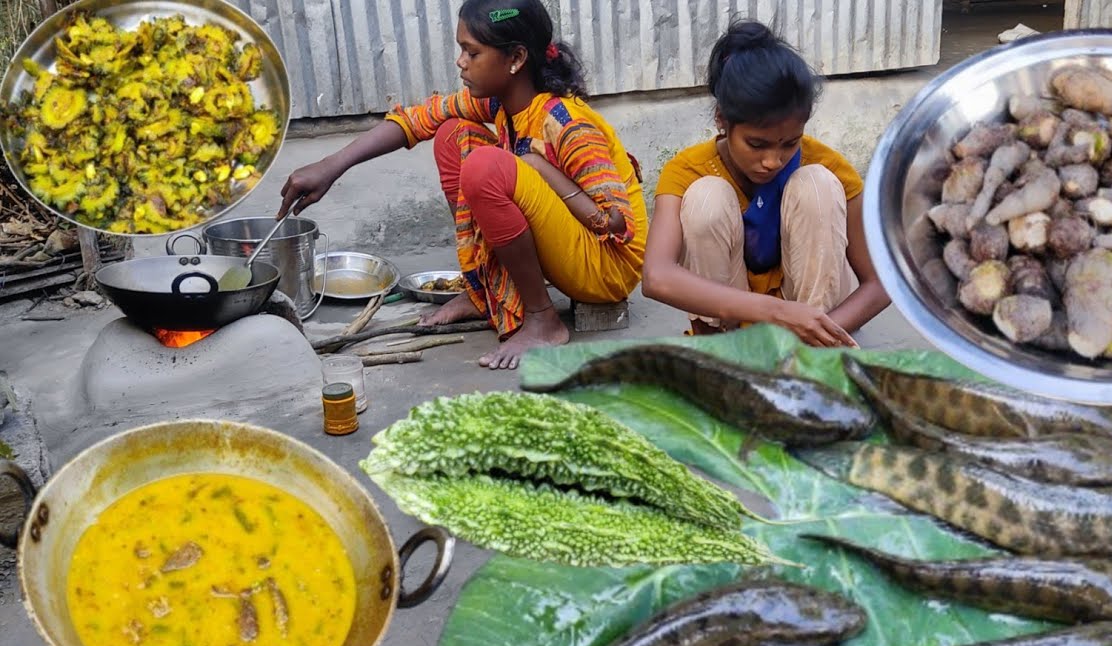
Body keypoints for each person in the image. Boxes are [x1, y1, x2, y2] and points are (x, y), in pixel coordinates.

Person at [278, 0, 647, 369]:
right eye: (461, 50)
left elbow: (618, 226)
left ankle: (542, 319)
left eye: (472, 52)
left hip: (607, 269)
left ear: (516, 58)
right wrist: (331, 166)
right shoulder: (502, 105)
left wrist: (540, 169)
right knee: (452, 135)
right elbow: (420, 119)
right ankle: (484, 291)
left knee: (486, 167)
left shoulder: (566, 123)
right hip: (576, 246)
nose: (461, 62)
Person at [642, 21, 890, 348]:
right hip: (730, 328)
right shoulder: (688, 169)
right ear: (722, 120)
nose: (773, 161)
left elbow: (879, 284)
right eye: (757, 145)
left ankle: (810, 357)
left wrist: (821, 331)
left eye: (790, 144)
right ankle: (723, 352)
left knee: (817, 186)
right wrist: (776, 312)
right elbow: (656, 277)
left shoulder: (828, 165)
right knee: (706, 198)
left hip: (811, 329)